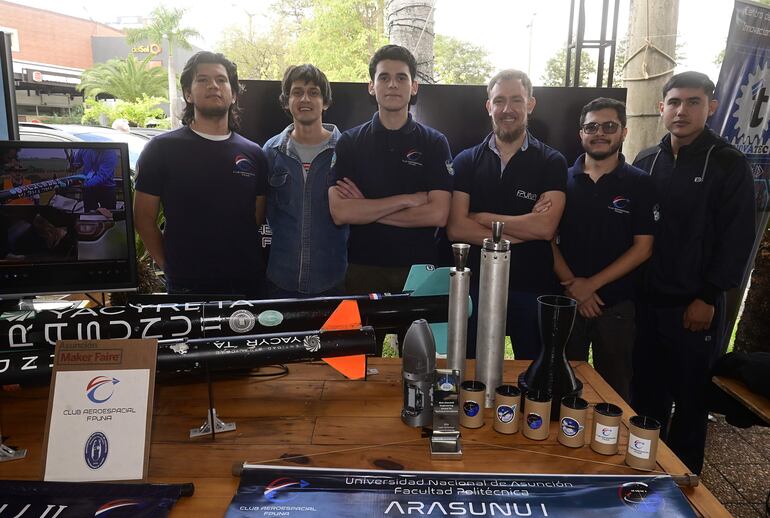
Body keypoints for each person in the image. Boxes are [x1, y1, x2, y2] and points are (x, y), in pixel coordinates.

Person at [631, 71, 755, 474]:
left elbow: (737, 238)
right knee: (644, 396)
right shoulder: (646, 161)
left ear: (712, 107)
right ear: (661, 107)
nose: (681, 110)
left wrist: (707, 295)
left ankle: (684, 487)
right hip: (646, 303)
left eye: (693, 102)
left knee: (689, 402)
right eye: (674, 102)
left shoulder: (727, 164)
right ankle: (643, 473)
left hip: (693, 306)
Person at [447, 69, 567, 359]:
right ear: (489, 106)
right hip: (475, 287)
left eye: (516, 100)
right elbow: (456, 229)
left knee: (532, 373)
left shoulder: (552, 162)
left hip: (531, 286)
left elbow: (545, 229)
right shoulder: (466, 160)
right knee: (470, 372)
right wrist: (524, 228)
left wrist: (480, 216)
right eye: (499, 101)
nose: (507, 109)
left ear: (531, 104)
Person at [134, 51, 268, 298]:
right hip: (187, 285)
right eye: (203, 80)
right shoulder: (160, 150)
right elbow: (143, 218)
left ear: (234, 94)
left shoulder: (255, 154)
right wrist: (170, 267)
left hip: (246, 282)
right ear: (188, 93)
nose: (213, 86)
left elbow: (255, 218)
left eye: (221, 80)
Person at [552, 97, 655, 402]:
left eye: (609, 126)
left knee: (615, 392)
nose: (600, 133)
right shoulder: (560, 180)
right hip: (567, 302)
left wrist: (589, 287)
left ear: (623, 132)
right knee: (563, 387)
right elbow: (546, 236)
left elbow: (643, 248)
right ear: (580, 133)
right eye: (591, 126)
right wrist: (574, 287)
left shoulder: (640, 184)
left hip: (617, 307)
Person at [328, 44, 452, 295]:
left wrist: (367, 209)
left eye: (401, 77)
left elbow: (438, 214)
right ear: (372, 87)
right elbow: (340, 212)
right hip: (363, 268)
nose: (392, 84)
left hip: (419, 270)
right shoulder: (350, 142)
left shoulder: (435, 142)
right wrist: (408, 200)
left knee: (420, 336)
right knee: (365, 335)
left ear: (413, 87)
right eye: (384, 77)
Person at [264, 64, 347, 298]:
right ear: (286, 100)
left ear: (326, 102)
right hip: (280, 281)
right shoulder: (270, 152)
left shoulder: (346, 151)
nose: (305, 99)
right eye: (297, 92)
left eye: (313, 92)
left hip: (333, 280)